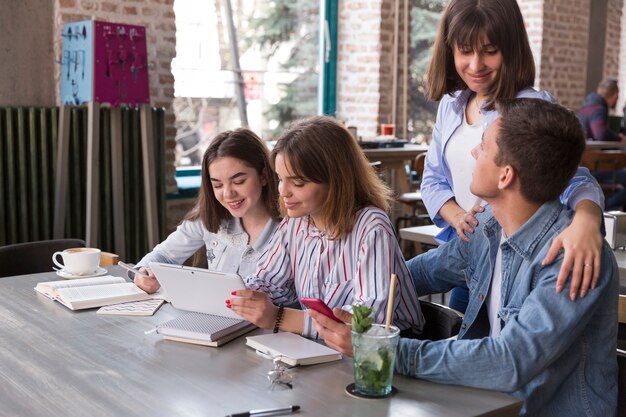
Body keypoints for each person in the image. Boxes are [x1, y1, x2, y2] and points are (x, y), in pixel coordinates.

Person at [311, 99, 618, 416]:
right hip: (486, 403)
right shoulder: (488, 226)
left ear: (505, 176)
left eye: (482, 148)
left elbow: (510, 361)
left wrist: (381, 351)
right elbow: (413, 275)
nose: (473, 154)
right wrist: (356, 302)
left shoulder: (572, 257)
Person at [420, 0, 605, 312]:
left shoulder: (529, 106)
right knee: (464, 343)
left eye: (489, 50)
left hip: (518, 262)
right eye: (465, 50)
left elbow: (575, 179)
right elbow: (433, 179)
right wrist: (458, 217)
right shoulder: (451, 106)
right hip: (470, 254)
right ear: (449, 50)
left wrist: (587, 220)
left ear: (511, 48)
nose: (476, 65)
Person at [227, 116, 424, 338]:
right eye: (280, 179)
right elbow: (269, 281)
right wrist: (251, 298)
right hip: (321, 347)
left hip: (387, 356)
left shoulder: (371, 227)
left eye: (298, 183)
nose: (283, 191)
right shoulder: (295, 223)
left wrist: (278, 316)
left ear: (336, 180)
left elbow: (367, 322)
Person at [131, 128, 281, 294]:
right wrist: (144, 273)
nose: (228, 194)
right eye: (217, 185)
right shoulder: (210, 218)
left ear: (264, 176)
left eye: (239, 181)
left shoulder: (290, 231)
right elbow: (163, 256)